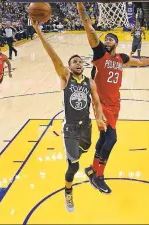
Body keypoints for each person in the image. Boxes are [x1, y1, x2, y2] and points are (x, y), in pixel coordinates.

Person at [77, 2, 149, 194]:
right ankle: (98, 176)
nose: (107, 40)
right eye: (106, 39)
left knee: (103, 138)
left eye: (111, 39)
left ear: (116, 44)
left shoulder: (121, 58)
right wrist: (81, 9)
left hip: (115, 105)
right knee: (111, 139)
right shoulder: (99, 53)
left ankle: (92, 168)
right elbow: (90, 30)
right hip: (101, 106)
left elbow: (140, 63)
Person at [31, 18, 106, 212]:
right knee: (74, 167)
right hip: (70, 127)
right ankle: (68, 192)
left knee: (87, 147)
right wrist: (39, 32)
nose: (79, 63)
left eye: (81, 61)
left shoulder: (90, 82)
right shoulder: (65, 77)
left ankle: (72, 154)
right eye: (75, 61)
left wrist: (99, 116)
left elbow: (97, 103)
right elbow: (53, 55)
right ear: (69, 66)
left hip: (86, 126)